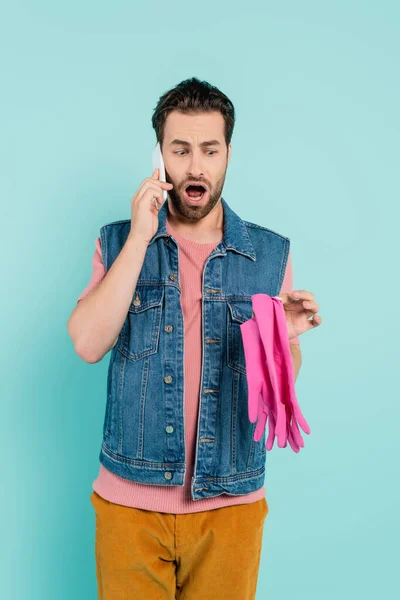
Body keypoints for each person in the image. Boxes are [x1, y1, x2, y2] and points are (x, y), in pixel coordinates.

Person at [67, 77, 321, 600]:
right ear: (159, 154)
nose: (196, 167)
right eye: (180, 150)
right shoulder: (117, 240)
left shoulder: (268, 256)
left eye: (209, 149)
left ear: (229, 152)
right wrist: (141, 235)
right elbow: (88, 344)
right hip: (130, 506)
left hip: (230, 505)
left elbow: (276, 391)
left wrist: (283, 341)